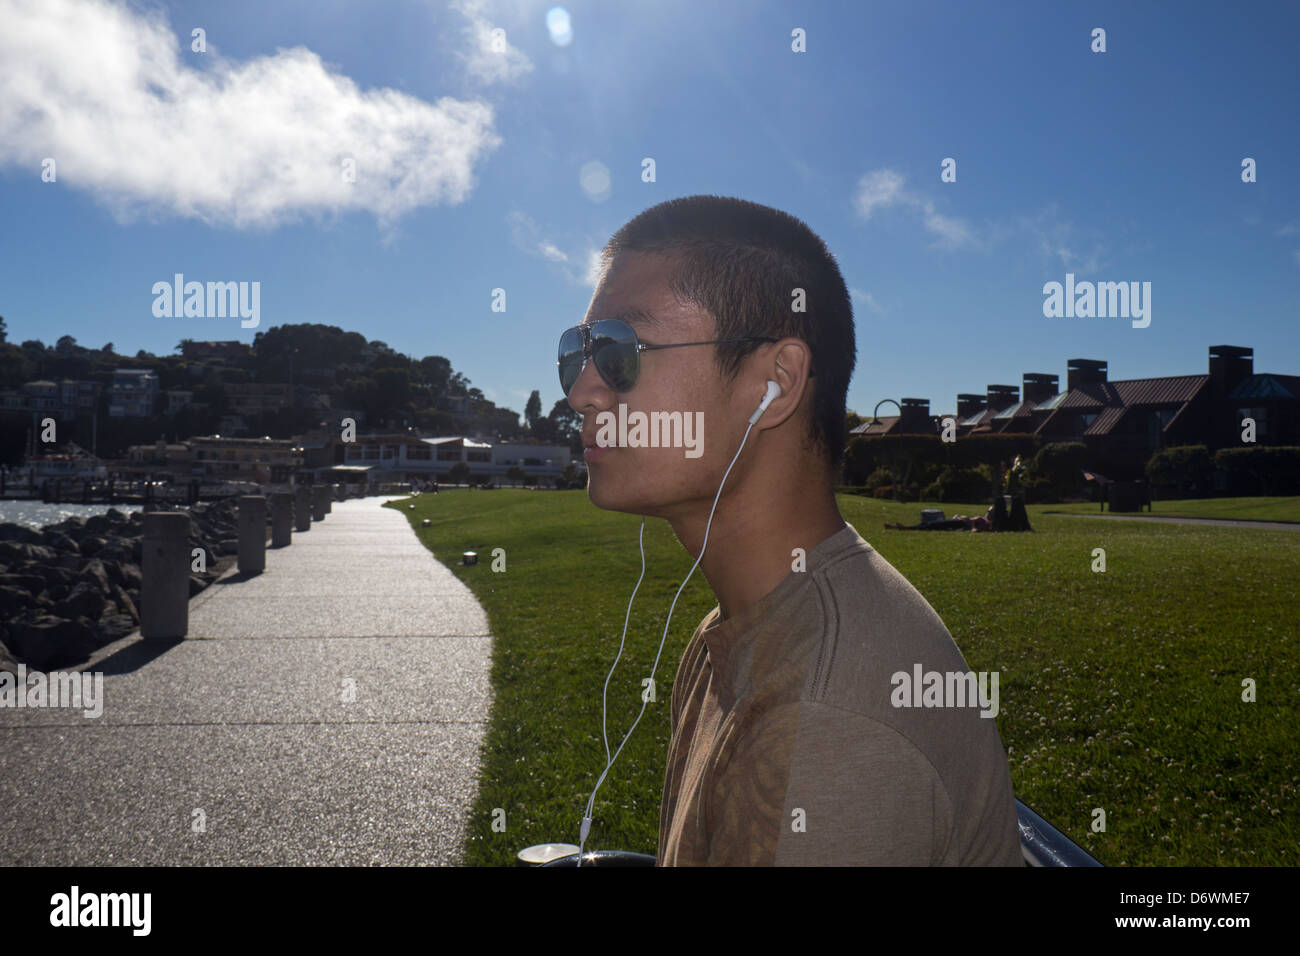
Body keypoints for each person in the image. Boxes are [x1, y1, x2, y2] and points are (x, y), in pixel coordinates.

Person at [562, 195, 1021, 866]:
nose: (582, 392)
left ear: (775, 383)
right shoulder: (738, 626)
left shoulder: (831, 725)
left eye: (618, 350)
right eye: (577, 351)